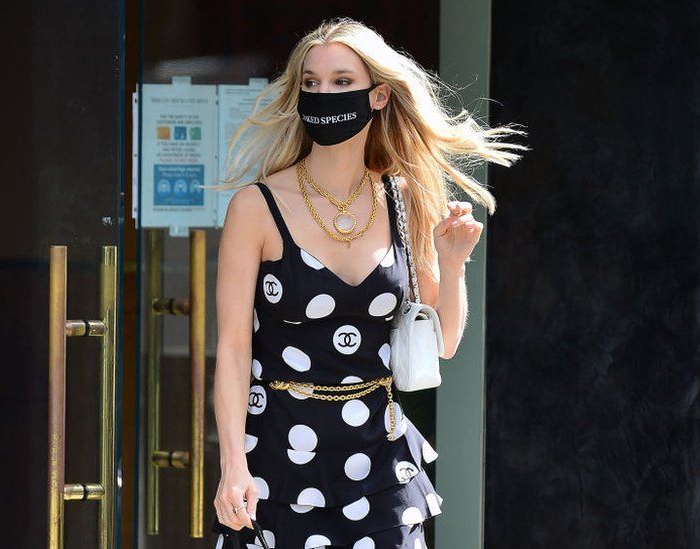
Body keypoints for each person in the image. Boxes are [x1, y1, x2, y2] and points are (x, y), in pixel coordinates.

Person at [209, 16, 527, 548]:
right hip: (277, 460)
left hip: (379, 461)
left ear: (378, 97)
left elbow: (443, 343)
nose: (322, 94)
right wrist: (232, 465)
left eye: (340, 82)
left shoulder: (405, 201)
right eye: (309, 83)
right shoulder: (257, 207)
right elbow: (235, 349)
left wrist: (452, 265)